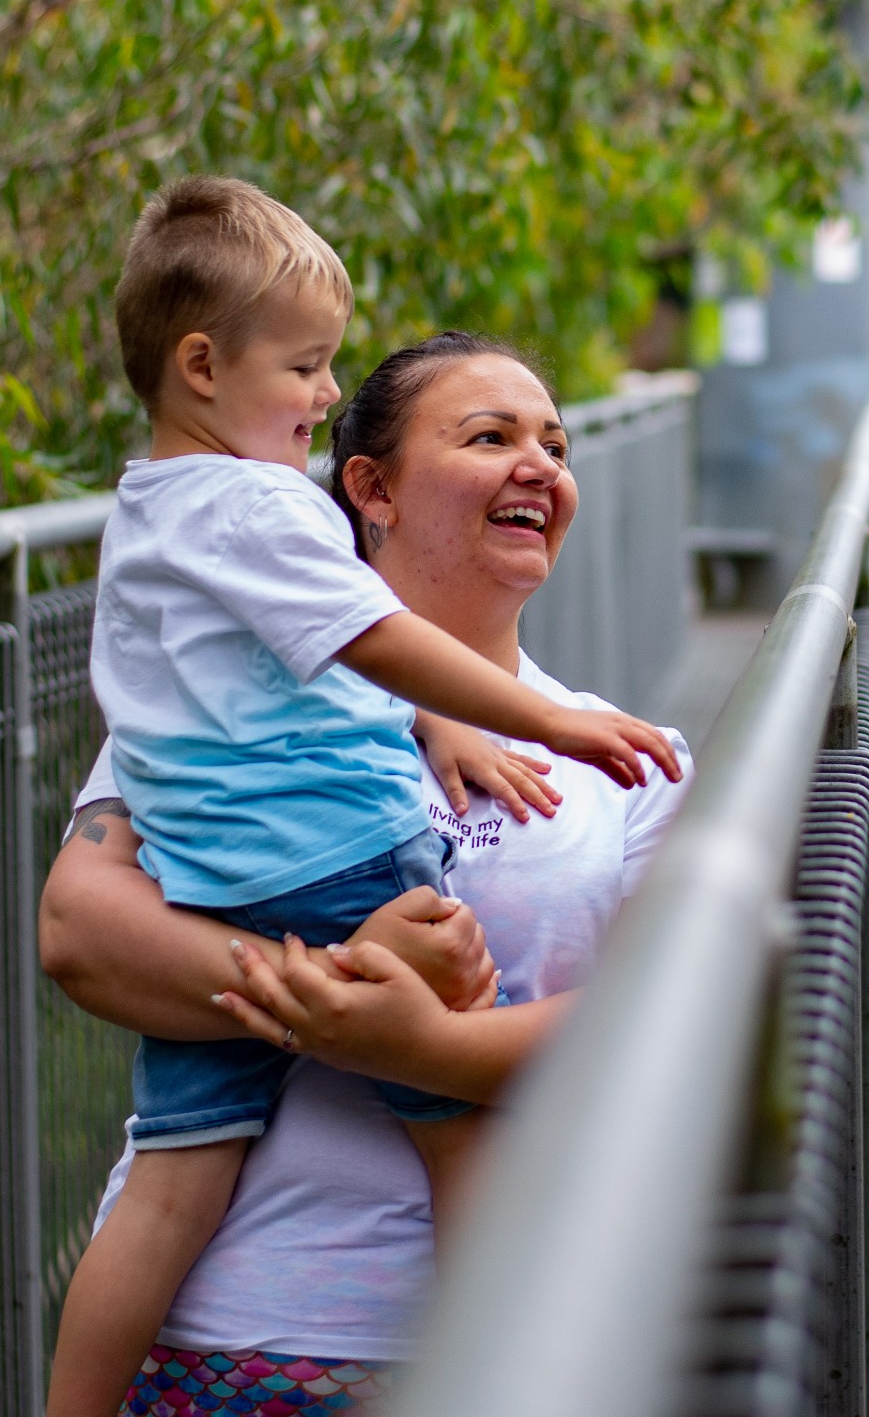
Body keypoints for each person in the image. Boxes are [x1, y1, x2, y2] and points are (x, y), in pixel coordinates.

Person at [50, 186, 684, 1417]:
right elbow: (78, 930)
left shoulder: (634, 760)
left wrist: (423, 1043)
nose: (537, 465)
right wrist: (341, 974)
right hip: (223, 1334)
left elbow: (651, 1026)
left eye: (554, 443)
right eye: (490, 436)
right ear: (368, 491)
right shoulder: (220, 703)